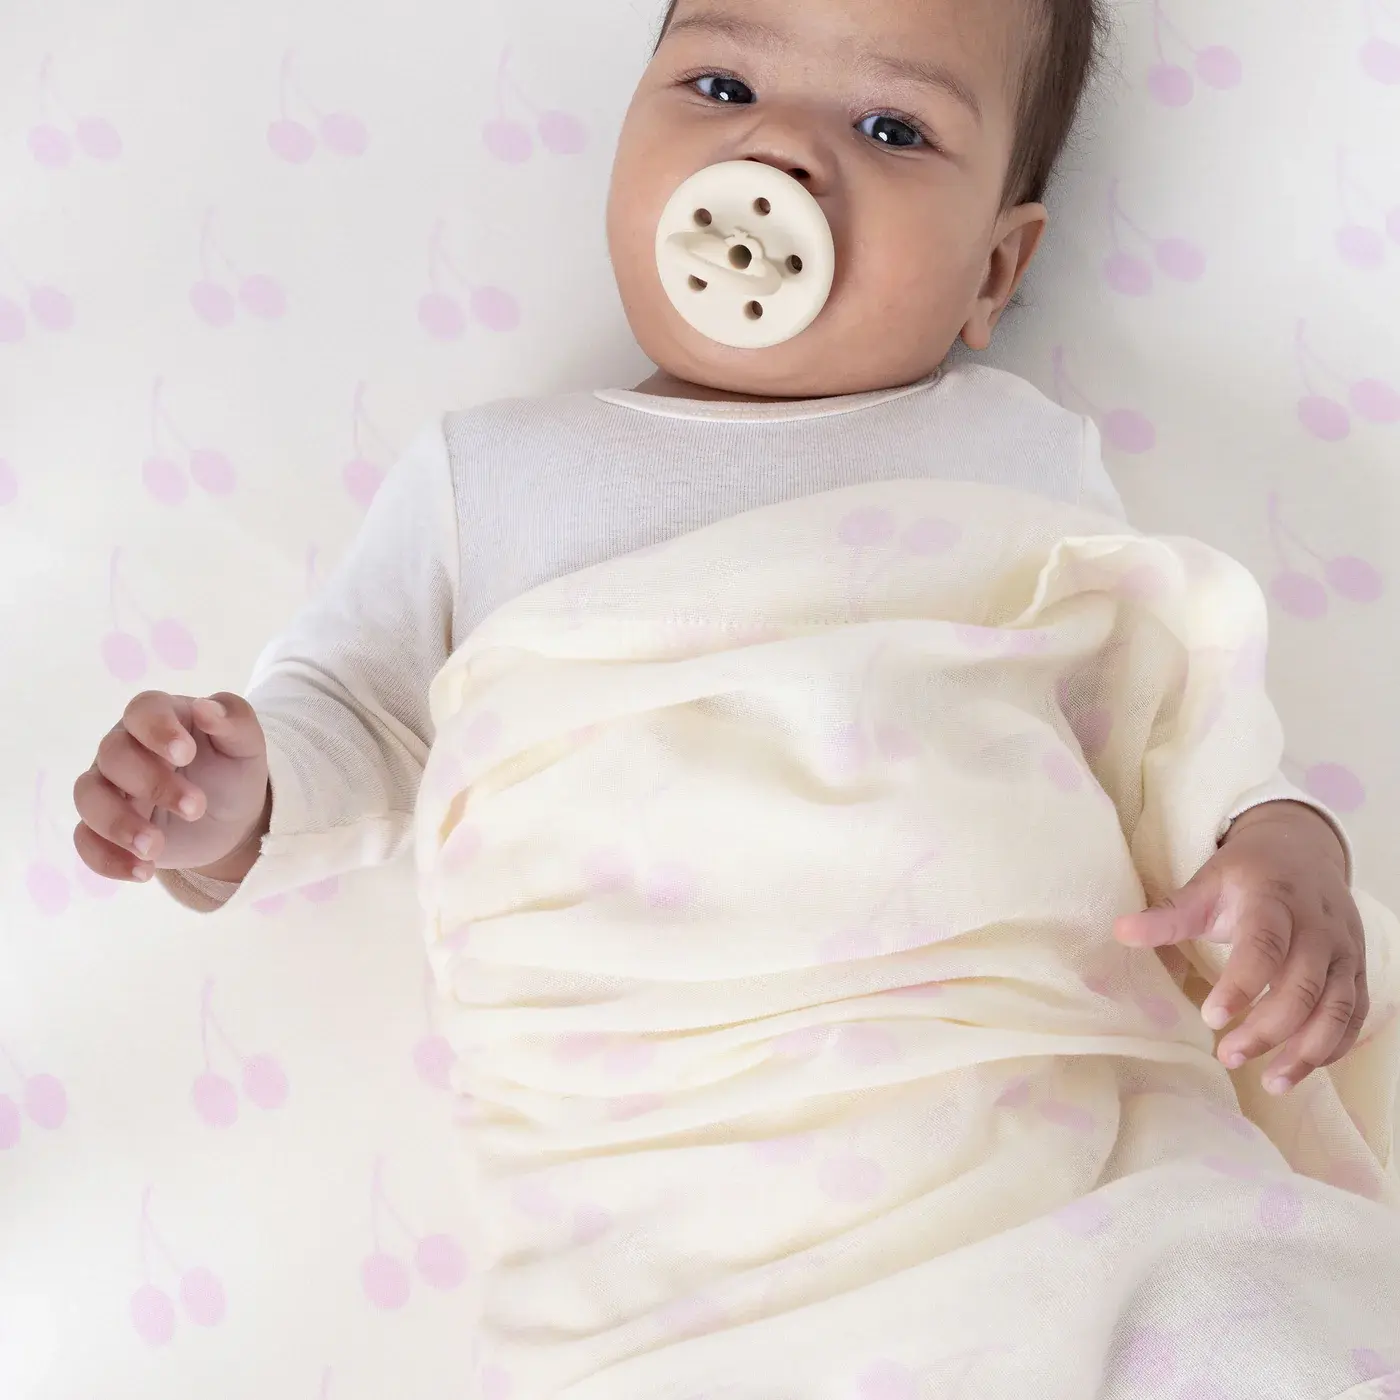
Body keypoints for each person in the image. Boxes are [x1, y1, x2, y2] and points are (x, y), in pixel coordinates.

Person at [72, 0, 1364, 1098]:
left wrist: (1276, 840)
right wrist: (231, 796)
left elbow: (1168, 711)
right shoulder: (498, 470)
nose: (779, 151)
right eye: (724, 86)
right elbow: (360, 710)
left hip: (996, 1061)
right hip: (642, 1091)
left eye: (892, 128)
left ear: (994, 270)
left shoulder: (1017, 455)